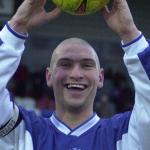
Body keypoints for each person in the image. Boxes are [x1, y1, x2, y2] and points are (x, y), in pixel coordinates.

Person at [0, 0, 150, 149]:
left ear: (100, 77)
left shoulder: (127, 133)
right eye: (65, 64)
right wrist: (17, 26)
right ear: (48, 76)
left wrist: (130, 34)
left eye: (87, 65)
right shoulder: (23, 132)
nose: (76, 74)